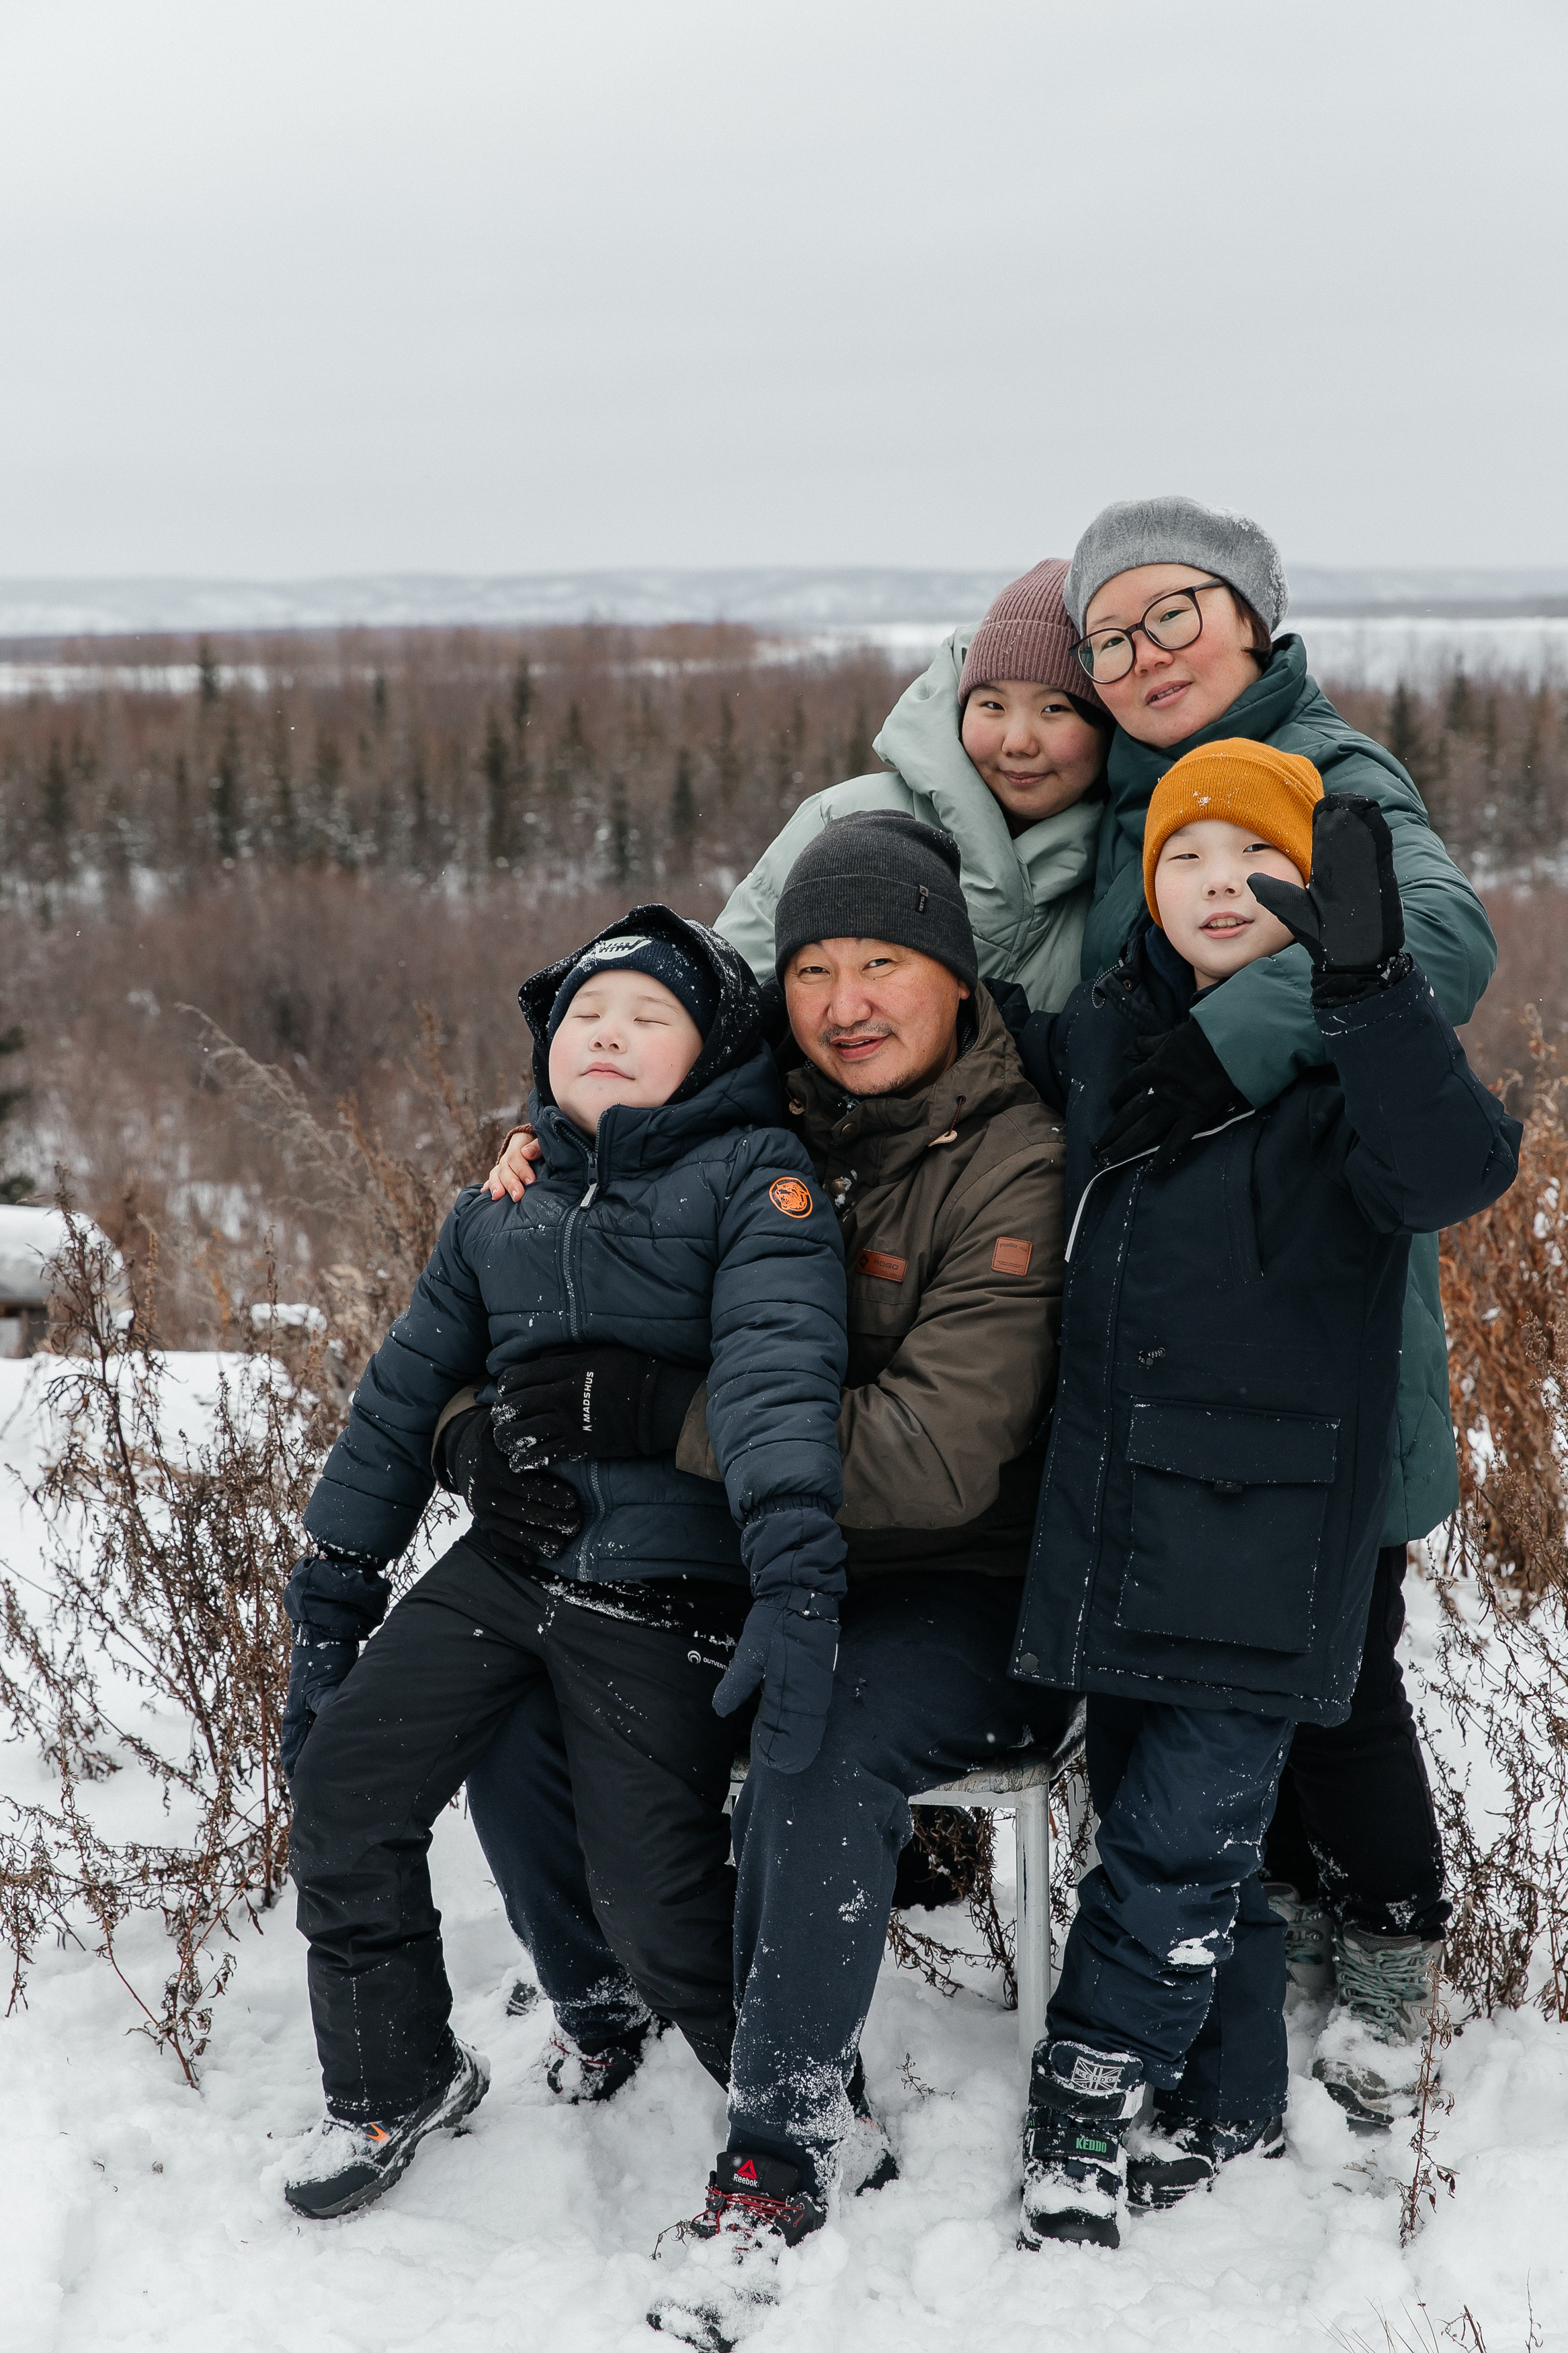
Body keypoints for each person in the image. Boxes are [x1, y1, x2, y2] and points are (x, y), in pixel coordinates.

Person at [481, 815, 1075, 2347]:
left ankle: (787, 2138)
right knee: (517, 1684)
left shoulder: (1011, 1158)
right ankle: (609, 1992)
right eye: (814, 967)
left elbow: (943, 1454)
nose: (849, 998)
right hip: (755, 1552)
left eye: (886, 962)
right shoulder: (764, 1120)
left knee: (815, 1737)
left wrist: (661, 1419)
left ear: (954, 979)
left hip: (957, 1581)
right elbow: (600, 1204)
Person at [1006, 742, 1519, 2249]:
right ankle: (1226, 2098)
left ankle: (1081, 2098)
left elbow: (1451, 1168)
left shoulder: (1340, 1065)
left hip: (1263, 1523)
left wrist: (1367, 989)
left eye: (1251, 863)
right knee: (1179, 1846)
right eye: (1181, 860)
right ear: (1142, 887)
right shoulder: (1103, 1036)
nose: (1215, 887)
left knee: (1176, 1838)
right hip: (1113, 1516)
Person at [276, 906, 849, 2219]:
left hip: (664, 1583)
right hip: (513, 1560)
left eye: (647, 1017)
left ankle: (795, 2109)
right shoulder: (503, 1203)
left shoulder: (758, 1182)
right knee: (345, 1785)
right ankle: (394, 2073)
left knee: (656, 1901)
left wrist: (791, 1577)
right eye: (585, 1013)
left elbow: (773, 1388)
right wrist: (332, 1595)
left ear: (709, 1056)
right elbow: (400, 1391)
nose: (606, 1031)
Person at [1063, 495, 1497, 2125]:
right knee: (1250, 1655)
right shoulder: (1120, 799)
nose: (1140, 656)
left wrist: (1223, 1050)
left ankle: (1392, 1937)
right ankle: (1304, 1901)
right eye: (1109, 638)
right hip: (1181, 1319)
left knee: (1344, 1660)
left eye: (1172, 613)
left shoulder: (1327, 766)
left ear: (1253, 616)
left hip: (1319, 1291)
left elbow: (1438, 939)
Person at [719, 557, 1110, 1012]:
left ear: (1107, 723)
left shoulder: (1137, 864)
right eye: (991, 705)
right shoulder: (848, 820)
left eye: (1053, 710)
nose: (1017, 743)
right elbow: (727, 999)